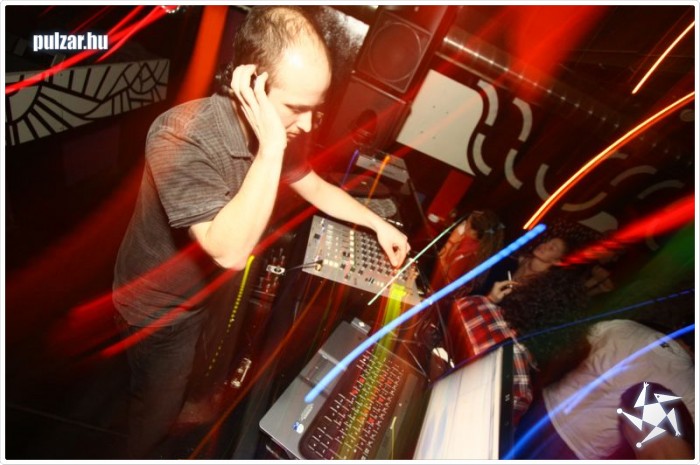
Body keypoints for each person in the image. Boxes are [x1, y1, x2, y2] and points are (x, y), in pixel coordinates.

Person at [111, 6, 410, 459]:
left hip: (207, 292)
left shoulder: (280, 131)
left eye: (315, 110)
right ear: (249, 84)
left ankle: (187, 406)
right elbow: (228, 250)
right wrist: (271, 147)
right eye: (297, 108)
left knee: (204, 367)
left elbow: (313, 185)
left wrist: (378, 223)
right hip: (160, 308)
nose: (307, 125)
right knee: (154, 409)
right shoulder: (179, 136)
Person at [513, 319, 695, 460]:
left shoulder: (626, 328)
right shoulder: (691, 387)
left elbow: (572, 347)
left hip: (542, 411)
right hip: (580, 450)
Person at [446, 265, 591, 425]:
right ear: (559, 340)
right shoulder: (519, 387)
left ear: (529, 293)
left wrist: (489, 300)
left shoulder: (472, 303)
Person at [430, 209, 504, 295]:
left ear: (472, 229)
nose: (464, 223)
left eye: (466, 222)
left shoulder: (466, 254)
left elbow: (445, 283)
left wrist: (451, 241)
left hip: (440, 297)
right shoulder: (480, 249)